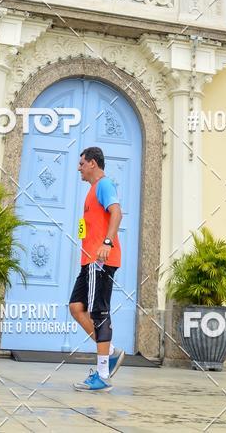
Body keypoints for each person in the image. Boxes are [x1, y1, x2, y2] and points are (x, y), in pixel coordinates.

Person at [69, 146, 125, 392]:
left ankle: (103, 376)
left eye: (82, 163)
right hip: (88, 261)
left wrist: (107, 242)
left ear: (93, 163)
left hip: (101, 260)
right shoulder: (91, 190)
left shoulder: (104, 185)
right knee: (76, 307)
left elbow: (117, 213)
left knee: (99, 312)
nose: (79, 168)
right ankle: (110, 351)